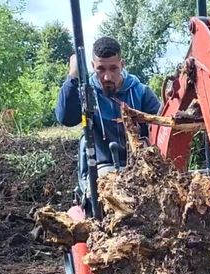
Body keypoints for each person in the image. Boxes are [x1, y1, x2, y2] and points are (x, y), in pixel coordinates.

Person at [55, 36, 161, 176]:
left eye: (113, 69)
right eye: (101, 69)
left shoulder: (141, 92)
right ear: (93, 66)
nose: (107, 77)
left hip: (141, 164)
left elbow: (162, 128)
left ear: (122, 64)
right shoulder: (87, 93)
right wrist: (73, 76)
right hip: (102, 167)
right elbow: (66, 119)